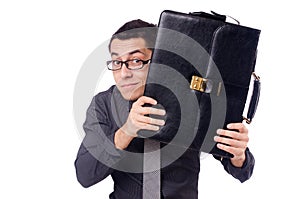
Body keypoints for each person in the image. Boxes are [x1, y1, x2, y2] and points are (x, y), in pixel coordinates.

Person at [74, 19, 255, 199]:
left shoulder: (190, 99)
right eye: (116, 62)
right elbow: (85, 173)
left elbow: (242, 172)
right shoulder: (103, 104)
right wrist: (127, 131)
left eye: (136, 60)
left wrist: (238, 155)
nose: (124, 74)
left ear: (159, 59)